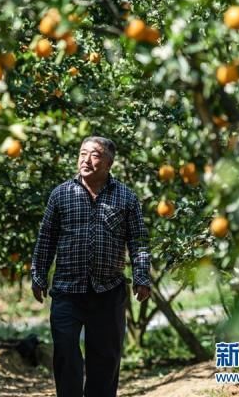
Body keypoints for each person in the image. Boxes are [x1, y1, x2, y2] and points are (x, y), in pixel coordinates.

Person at [31, 136, 152, 397]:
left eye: (94, 155)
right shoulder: (61, 194)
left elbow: (138, 241)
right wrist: (38, 275)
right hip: (66, 290)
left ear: (109, 163)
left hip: (108, 291)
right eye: (82, 153)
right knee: (65, 351)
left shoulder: (126, 198)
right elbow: (46, 239)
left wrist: (142, 277)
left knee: (105, 361)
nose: (86, 160)